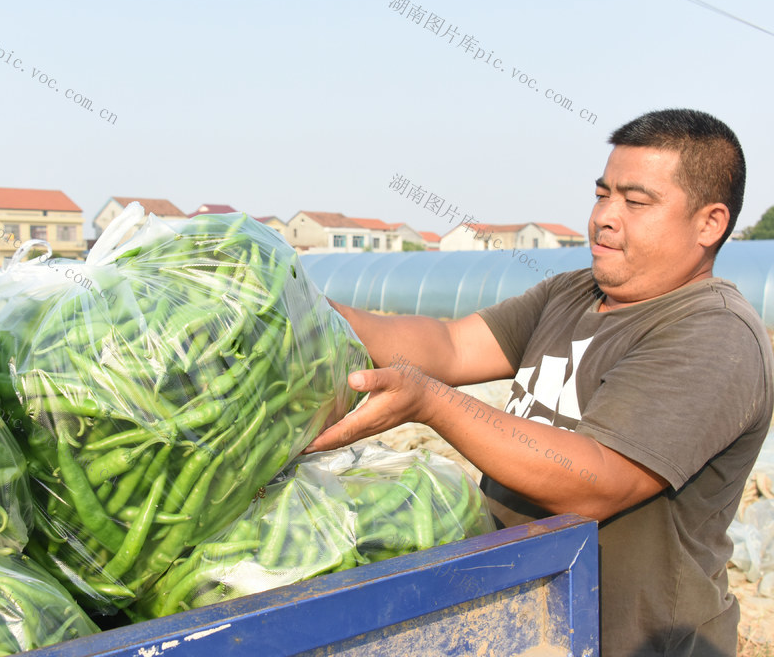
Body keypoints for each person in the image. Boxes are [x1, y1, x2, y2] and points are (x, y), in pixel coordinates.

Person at [307, 109, 774, 656]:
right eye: (603, 194)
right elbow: (449, 346)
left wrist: (431, 402)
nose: (604, 217)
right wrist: (304, 303)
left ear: (709, 223)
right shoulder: (570, 293)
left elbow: (594, 480)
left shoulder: (713, 333)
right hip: (527, 626)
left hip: (629, 641)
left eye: (636, 201)